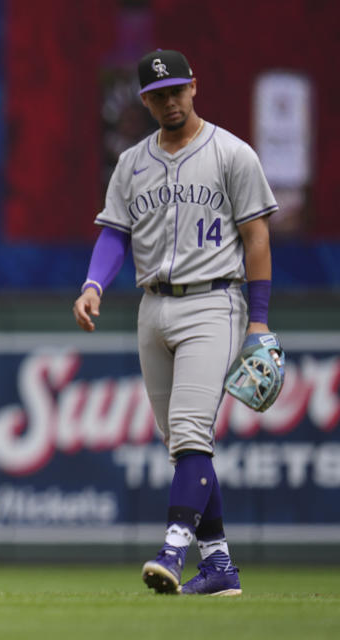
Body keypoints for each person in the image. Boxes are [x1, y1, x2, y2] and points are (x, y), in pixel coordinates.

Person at [73, 49, 278, 596]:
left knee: (190, 433)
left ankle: (173, 549)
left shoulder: (233, 154)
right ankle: (220, 566)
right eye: (159, 94)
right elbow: (115, 233)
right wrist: (94, 284)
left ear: (195, 87)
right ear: (144, 100)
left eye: (177, 90)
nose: (169, 101)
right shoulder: (133, 162)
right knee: (183, 444)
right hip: (152, 306)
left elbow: (257, 238)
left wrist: (258, 323)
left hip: (215, 301)